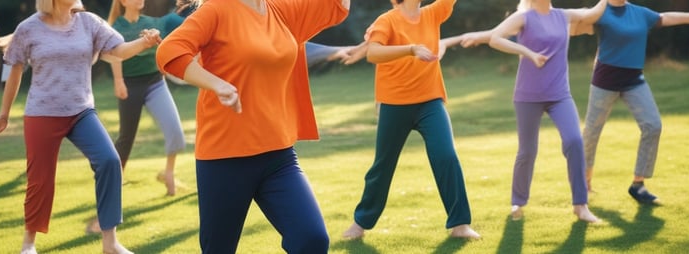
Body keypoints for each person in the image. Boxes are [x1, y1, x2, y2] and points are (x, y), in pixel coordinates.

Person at [154, 0, 350, 252]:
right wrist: (217, 84)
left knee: (311, 240)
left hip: (278, 157)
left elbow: (337, 5)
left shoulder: (281, 10)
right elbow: (169, 51)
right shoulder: (217, 10)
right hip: (225, 157)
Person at [0, 0, 161, 253]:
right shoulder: (29, 28)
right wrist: (4, 113)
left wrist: (144, 42)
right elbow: (15, 70)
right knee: (40, 180)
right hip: (42, 113)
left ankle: (110, 243)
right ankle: (28, 245)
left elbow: (119, 50)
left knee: (110, 161)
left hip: (81, 112)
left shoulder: (89, 22)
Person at [453, 0, 607, 222]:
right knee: (527, 151)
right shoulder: (523, 18)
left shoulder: (564, 16)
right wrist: (528, 52)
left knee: (574, 141)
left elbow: (592, 13)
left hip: (560, 95)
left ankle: (580, 205)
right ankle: (518, 201)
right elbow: (495, 38)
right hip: (528, 96)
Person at [342, 0, 481, 240]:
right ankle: (360, 223)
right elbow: (373, 53)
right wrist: (411, 49)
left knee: (446, 156)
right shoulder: (387, 20)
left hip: (430, 102)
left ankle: (460, 225)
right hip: (394, 105)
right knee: (383, 166)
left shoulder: (432, 13)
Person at [581, 1, 689, 205]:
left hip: (634, 81)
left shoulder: (639, 13)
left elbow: (665, 18)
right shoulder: (601, 11)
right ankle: (583, 181)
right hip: (604, 82)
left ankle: (638, 184)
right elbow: (575, 21)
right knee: (591, 132)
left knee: (653, 126)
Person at [106, 0, 189, 196]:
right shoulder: (115, 27)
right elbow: (114, 53)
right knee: (126, 138)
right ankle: (115, 181)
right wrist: (118, 81)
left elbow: (177, 24)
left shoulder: (153, 23)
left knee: (176, 132)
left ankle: (168, 173)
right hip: (130, 86)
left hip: (155, 83)